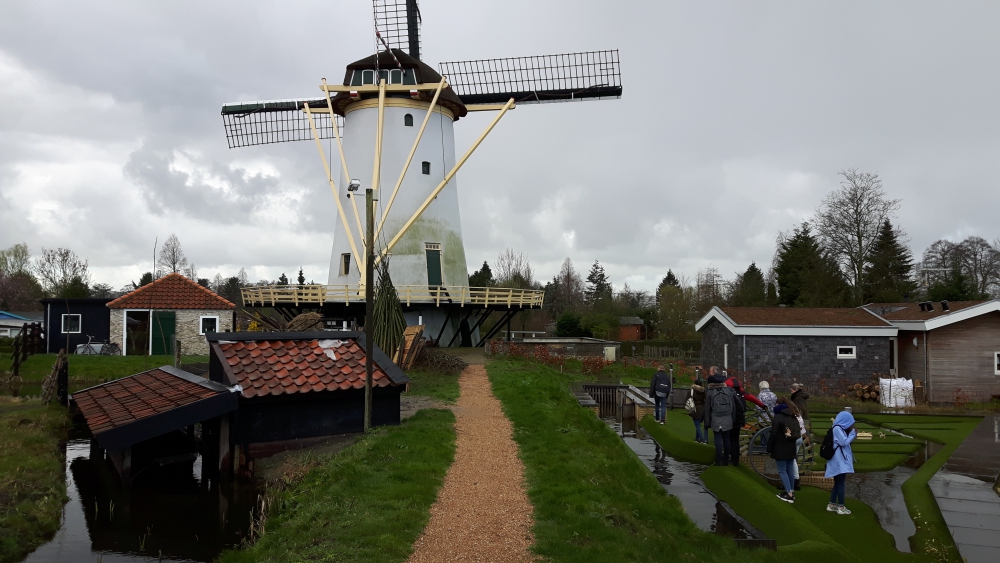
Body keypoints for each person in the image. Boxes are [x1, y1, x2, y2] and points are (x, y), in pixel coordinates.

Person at [704, 367, 743, 466]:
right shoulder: (728, 391)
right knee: (726, 439)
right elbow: (733, 406)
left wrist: (707, 422)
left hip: (716, 418)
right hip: (728, 418)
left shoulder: (710, 392)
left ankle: (718, 460)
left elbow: (707, 409)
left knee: (718, 438)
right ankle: (726, 460)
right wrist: (733, 419)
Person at [768, 397, 801, 503]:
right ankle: (791, 491)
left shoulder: (778, 416)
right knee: (790, 470)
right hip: (791, 446)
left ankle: (789, 494)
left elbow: (773, 433)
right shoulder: (793, 415)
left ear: (778, 404)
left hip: (780, 446)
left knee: (782, 470)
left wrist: (769, 447)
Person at [825, 410, 857, 515]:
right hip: (839, 461)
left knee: (838, 482)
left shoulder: (838, 428)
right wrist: (853, 434)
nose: (852, 425)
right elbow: (844, 442)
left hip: (839, 461)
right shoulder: (837, 429)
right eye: (850, 422)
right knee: (841, 483)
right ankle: (841, 507)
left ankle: (832, 504)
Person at [689, 378, 707, 444]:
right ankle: (697, 438)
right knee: (698, 423)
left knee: (697, 424)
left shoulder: (692, 390)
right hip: (702, 408)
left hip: (694, 408)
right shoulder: (703, 391)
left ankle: (701, 439)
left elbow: (688, 398)